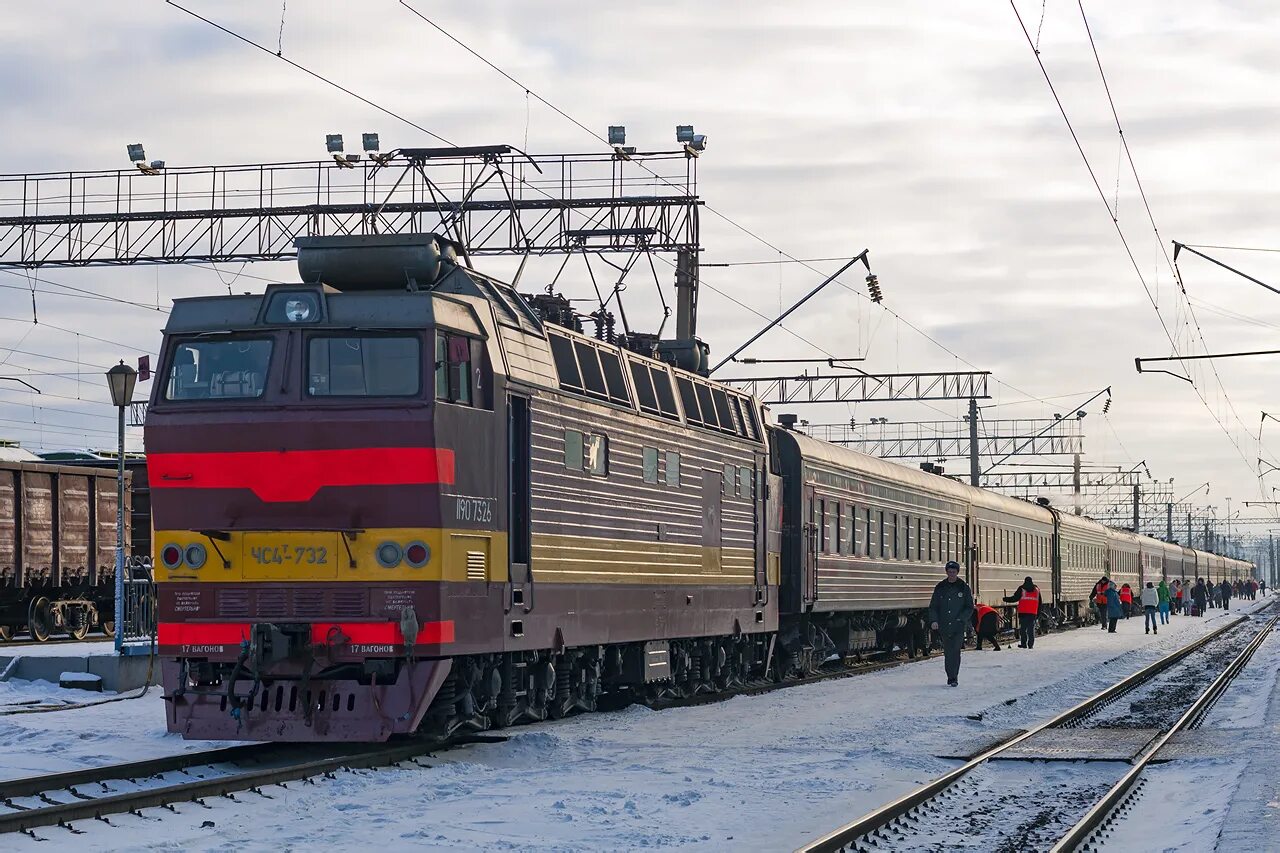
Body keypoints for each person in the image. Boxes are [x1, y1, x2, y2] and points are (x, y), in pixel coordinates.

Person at [929, 560, 975, 687]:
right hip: (944, 625)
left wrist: (962, 618)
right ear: (946, 572)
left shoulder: (963, 588)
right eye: (949, 572)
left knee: (955, 651)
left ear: (957, 572)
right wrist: (934, 620)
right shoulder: (940, 587)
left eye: (954, 572)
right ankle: (950, 675)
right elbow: (933, 606)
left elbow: (969, 607)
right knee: (948, 652)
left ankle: (954, 677)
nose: (951, 574)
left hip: (958, 625)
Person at [1003, 575, 1040, 649]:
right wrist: (1038, 613)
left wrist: (1006, 599)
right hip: (1033, 613)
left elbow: (1015, 598)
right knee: (1031, 630)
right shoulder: (1036, 590)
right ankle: (1030, 644)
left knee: (1023, 629)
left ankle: (1023, 644)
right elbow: (1040, 602)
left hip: (1023, 613)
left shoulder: (1022, 588)